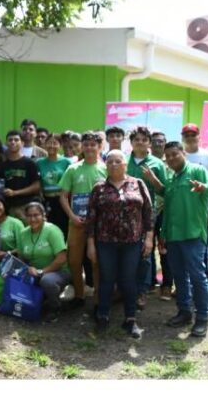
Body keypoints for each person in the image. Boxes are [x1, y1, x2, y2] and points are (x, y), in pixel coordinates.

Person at [145, 141, 208, 338]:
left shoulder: (197, 171)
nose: (170, 158)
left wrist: (204, 187)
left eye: (174, 154)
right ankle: (184, 312)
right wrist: (163, 234)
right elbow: (166, 200)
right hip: (173, 236)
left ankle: (202, 318)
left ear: (183, 154)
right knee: (179, 276)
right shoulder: (171, 177)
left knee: (197, 277)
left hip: (193, 234)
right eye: (167, 156)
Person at [86, 150, 154, 338]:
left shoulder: (138, 184)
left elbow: (148, 213)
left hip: (132, 242)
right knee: (107, 279)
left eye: (118, 161)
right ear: (106, 166)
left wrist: (148, 238)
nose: (114, 164)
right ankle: (103, 316)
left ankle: (130, 319)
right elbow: (91, 219)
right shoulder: (99, 188)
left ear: (125, 164)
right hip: (105, 242)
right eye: (110, 162)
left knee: (128, 279)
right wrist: (91, 245)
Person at [58, 131, 107, 309]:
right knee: (74, 261)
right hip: (76, 223)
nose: (89, 148)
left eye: (93, 144)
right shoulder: (73, 169)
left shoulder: (107, 168)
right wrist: (72, 216)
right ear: (82, 147)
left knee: (96, 262)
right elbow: (63, 196)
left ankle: (97, 299)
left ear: (100, 147)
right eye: (86, 144)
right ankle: (79, 296)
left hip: (98, 226)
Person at [125, 126, 167, 309]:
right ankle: (127, 288)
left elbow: (164, 191)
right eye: (137, 140)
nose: (140, 142)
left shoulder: (157, 164)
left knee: (145, 252)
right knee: (127, 252)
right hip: (124, 215)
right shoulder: (124, 161)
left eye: (144, 140)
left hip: (148, 214)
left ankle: (142, 291)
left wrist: (152, 180)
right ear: (131, 143)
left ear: (149, 143)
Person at [9, 202, 70, 318]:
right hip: (34, 272)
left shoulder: (53, 231)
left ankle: (55, 308)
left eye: (36, 215)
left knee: (46, 281)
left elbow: (62, 258)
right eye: (29, 216)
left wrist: (42, 271)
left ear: (43, 215)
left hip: (58, 272)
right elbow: (22, 259)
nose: (32, 219)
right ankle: (30, 301)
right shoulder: (23, 234)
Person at [181, 123, 208, 283]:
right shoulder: (178, 156)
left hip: (203, 211)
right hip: (181, 211)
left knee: (201, 249)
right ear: (182, 138)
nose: (190, 138)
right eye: (187, 135)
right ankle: (184, 286)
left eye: (193, 135)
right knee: (182, 250)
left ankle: (203, 285)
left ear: (199, 137)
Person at [0, 130, 41, 221]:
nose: (13, 142)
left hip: (27, 207)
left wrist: (15, 192)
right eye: (10, 140)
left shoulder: (30, 163)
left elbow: (37, 186)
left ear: (22, 143)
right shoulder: (2, 166)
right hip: (8, 208)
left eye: (16, 140)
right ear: (6, 143)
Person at [150, 130, 173, 299]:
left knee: (165, 248)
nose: (158, 144)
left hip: (166, 211)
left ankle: (167, 284)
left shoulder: (171, 161)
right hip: (148, 211)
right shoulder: (146, 161)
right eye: (155, 141)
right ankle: (149, 282)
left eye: (161, 141)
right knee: (147, 247)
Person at [36, 133, 71, 239]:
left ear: (60, 146)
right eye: (49, 143)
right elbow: (38, 182)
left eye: (55, 143)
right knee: (47, 229)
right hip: (46, 201)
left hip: (62, 201)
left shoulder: (66, 162)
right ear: (45, 145)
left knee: (62, 229)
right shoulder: (39, 163)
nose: (51, 146)